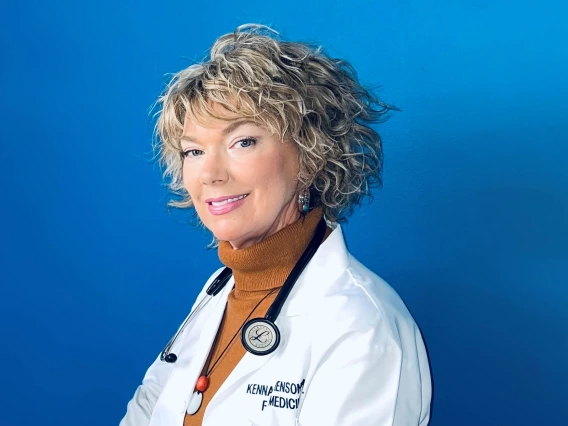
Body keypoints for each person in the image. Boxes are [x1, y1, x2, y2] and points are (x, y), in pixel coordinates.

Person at [120, 24, 432, 426]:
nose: (209, 174)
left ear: (311, 154)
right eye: (194, 150)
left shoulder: (363, 328)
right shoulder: (217, 295)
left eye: (243, 142)